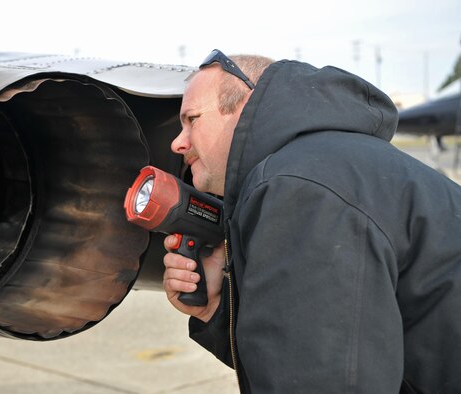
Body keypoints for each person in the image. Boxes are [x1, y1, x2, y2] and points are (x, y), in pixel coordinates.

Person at [162, 49, 461, 393]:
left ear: (243, 105)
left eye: (192, 119)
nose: (177, 143)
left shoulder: (298, 187)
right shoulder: (325, 165)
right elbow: (321, 355)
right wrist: (218, 311)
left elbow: (321, 381)